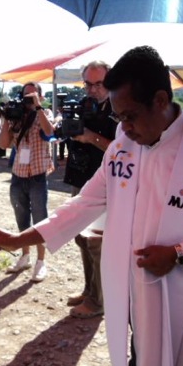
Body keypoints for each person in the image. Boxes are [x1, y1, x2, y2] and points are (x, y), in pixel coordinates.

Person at [0, 46, 183, 366]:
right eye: (118, 118)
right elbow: (83, 205)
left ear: (160, 100)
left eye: (129, 116)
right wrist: (19, 238)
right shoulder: (123, 148)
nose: (123, 129)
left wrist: (180, 254)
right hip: (140, 301)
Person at [62, 61, 117, 319]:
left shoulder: (119, 109)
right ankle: (89, 291)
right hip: (81, 179)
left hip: (104, 186)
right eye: (88, 84)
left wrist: (91, 137)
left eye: (99, 84)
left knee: (96, 242)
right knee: (81, 238)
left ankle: (98, 301)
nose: (93, 89)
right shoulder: (83, 107)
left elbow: (124, 151)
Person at [0, 82, 55, 282]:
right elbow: (3, 144)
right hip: (18, 175)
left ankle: (41, 262)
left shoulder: (45, 113)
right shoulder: (17, 118)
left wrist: (37, 107)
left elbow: (50, 132)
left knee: (40, 220)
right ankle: (25, 256)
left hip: (37, 175)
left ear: (40, 96)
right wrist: (6, 119)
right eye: (25, 95)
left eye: (32, 94)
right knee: (22, 218)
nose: (27, 98)